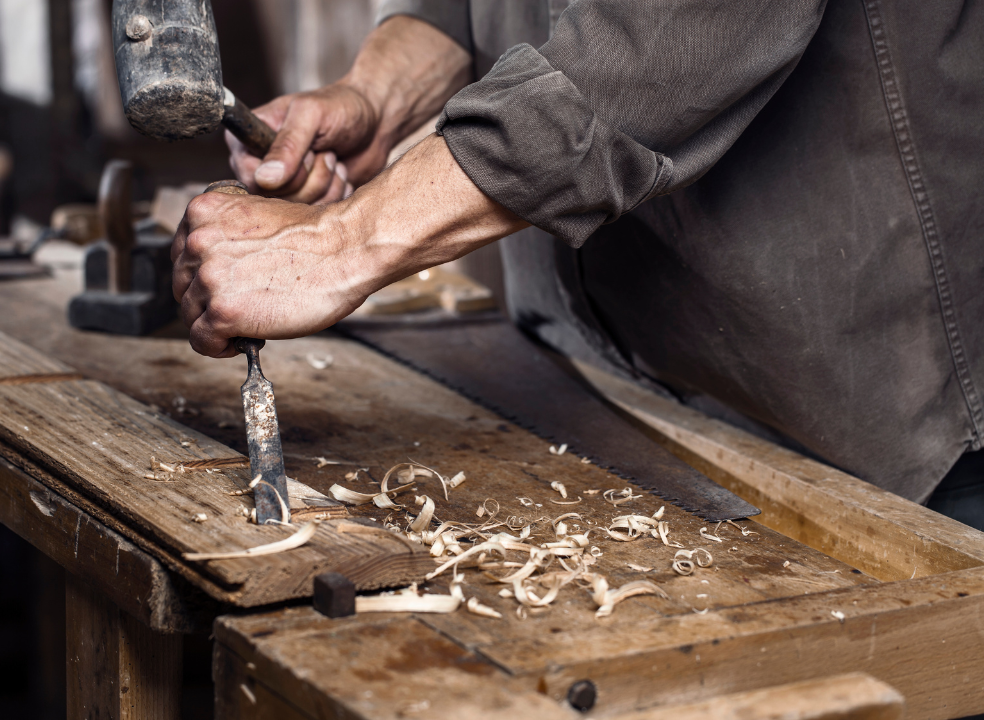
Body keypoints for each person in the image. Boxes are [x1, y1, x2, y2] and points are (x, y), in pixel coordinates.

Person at [171, 1, 984, 528]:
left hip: (879, 423)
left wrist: (336, 245)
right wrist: (380, 94)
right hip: (605, 378)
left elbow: (664, 48)